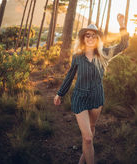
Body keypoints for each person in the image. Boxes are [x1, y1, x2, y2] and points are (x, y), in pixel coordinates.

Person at [54, 13, 129, 164]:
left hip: (96, 97)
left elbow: (123, 45)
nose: (90, 38)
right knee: (88, 137)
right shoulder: (77, 57)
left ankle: (82, 161)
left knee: (90, 133)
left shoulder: (104, 54)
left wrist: (121, 24)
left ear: (97, 39)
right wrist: (60, 93)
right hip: (79, 98)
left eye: (93, 36)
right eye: (87, 35)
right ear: (83, 38)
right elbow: (69, 76)